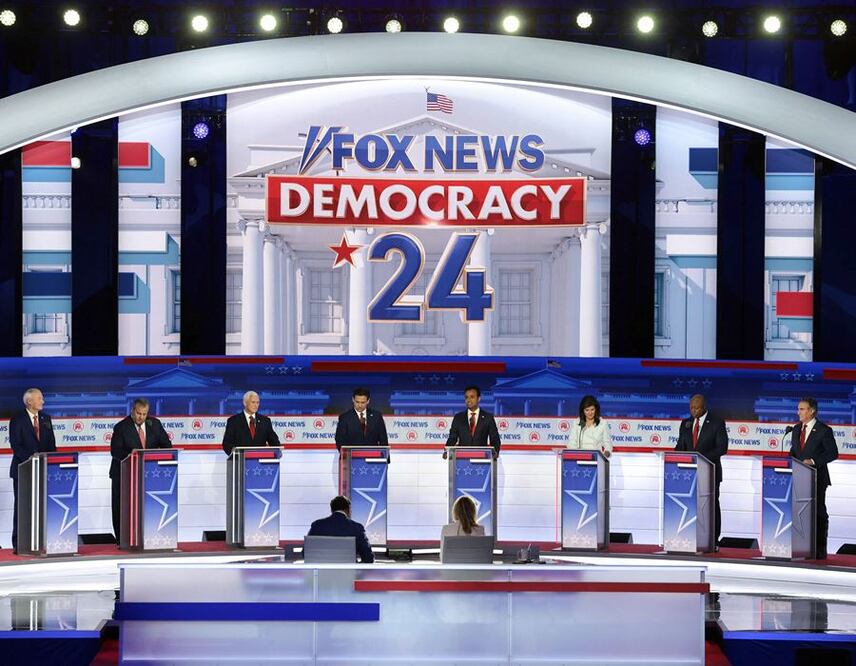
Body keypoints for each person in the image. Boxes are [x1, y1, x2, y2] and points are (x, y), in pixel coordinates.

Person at [110, 398, 172, 543]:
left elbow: (167, 446)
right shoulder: (121, 427)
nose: (141, 417)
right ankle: (122, 540)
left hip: (149, 474)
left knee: (147, 508)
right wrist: (130, 455)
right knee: (121, 509)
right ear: (132, 411)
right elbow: (115, 451)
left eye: (144, 414)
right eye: (138, 413)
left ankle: (150, 537)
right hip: (124, 475)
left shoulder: (154, 424)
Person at [675, 394, 728, 546]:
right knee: (690, 506)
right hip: (689, 474)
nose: (694, 411)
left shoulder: (717, 422)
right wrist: (674, 456)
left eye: (697, 408)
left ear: (704, 407)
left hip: (710, 473)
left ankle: (713, 540)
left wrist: (700, 458)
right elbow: (680, 447)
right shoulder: (685, 424)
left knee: (711, 506)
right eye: (691, 408)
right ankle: (690, 537)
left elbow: (722, 448)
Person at [790, 397, 838, 559]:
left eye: (802, 409)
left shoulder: (824, 430)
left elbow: (832, 453)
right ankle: (802, 548)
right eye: (798, 409)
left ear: (812, 411)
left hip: (817, 478)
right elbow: (794, 451)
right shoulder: (796, 429)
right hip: (798, 477)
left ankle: (819, 550)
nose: (798, 412)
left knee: (818, 513)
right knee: (800, 513)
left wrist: (813, 461)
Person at [9, 388, 56, 552]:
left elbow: (51, 445)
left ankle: (42, 542)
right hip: (23, 470)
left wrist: (50, 461)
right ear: (30, 401)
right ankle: (19, 543)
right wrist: (32, 461)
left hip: (43, 471)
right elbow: (16, 445)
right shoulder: (17, 420)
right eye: (39, 398)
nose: (43, 401)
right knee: (22, 507)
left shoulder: (46, 419)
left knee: (42, 507)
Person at [307, 495, 374, 563]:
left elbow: (306, 553)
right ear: (348, 510)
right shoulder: (357, 527)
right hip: (349, 570)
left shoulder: (317, 525)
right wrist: (356, 566)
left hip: (322, 569)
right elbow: (368, 558)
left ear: (332, 510)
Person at [444, 386, 501, 458]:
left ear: (479, 398)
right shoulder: (458, 418)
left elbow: (494, 438)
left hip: (482, 458)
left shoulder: (488, 418)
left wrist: (495, 452)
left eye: (472, 397)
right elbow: (452, 438)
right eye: (466, 397)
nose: (468, 400)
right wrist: (446, 451)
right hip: (462, 458)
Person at [222, 390, 280, 455]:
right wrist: (237, 455)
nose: (256, 405)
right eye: (253, 402)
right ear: (245, 403)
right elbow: (227, 444)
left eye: (257, 402)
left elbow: (275, 442)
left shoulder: (265, 421)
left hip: (260, 459)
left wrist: (277, 451)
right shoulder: (233, 421)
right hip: (240, 459)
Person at [440, 496, 485, 561]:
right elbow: (482, 557)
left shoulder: (446, 529)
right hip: (474, 566)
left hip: (452, 566)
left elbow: (442, 558)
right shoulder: (480, 530)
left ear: (455, 512)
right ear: (473, 512)